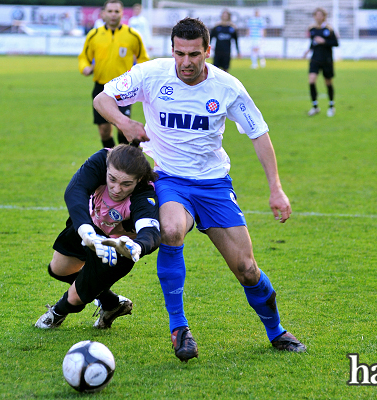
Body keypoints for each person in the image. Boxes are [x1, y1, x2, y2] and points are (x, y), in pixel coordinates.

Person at [93, 17, 306, 362]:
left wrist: (276, 189)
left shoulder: (227, 86)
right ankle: (179, 329)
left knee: (247, 268)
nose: (186, 62)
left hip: (213, 184)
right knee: (172, 230)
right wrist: (124, 121)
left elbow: (259, 134)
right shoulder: (151, 74)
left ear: (208, 51)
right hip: (167, 178)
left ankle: (276, 331)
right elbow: (103, 98)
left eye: (194, 54)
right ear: (172, 50)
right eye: (180, 53)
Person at [35, 144, 160, 329]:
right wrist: (87, 233)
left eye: (126, 184)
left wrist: (137, 247)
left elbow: (150, 231)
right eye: (112, 179)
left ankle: (57, 313)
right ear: (107, 168)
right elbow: (75, 191)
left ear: (139, 179)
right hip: (90, 227)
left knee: (75, 297)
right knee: (58, 269)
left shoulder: (144, 194)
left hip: (116, 247)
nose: (117, 189)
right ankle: (112, 304)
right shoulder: (103, 159)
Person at [78, 0, 149, 149]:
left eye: (116, 11)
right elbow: (84, 57)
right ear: (103, 13)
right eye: (110, 11)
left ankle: (126, 162)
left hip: (124, 88)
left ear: (122, 13)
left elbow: (143, 60)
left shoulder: (132, 35)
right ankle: (112, 158)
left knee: (123, 128)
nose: (113, 14)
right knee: (104, 131)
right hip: (101, 87)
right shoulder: (94, 35)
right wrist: (85, 68)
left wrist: (140, 77)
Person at [303, 8, 339, 117]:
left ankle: (331, 106)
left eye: (320, 15)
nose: (318, 17)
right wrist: (308, 50)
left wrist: (324, 41)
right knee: (311, 81)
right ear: (314, 16)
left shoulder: (329, 29)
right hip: (315, 59)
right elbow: (313, 43)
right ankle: (315, 107)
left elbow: (336, 43)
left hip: (326, 60)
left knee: (328, 82)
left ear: (324, 16)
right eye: (316, 15)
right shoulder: (312, 29)